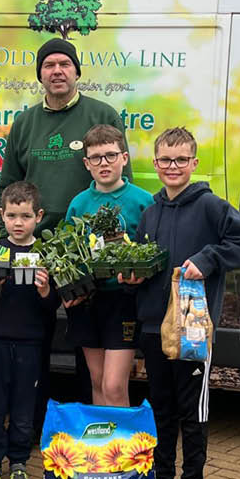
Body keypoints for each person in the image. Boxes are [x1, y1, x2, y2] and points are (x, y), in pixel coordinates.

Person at [123, 127, 240, 479]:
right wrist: (132, 278)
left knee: (193, 414)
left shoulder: (211, 206)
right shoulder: (150, 214)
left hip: (193, 333)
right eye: (166, 160)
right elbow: (144, 264)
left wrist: (209, 258)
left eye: (181, 160)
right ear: (155, 164)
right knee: (162, 412)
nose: (173, 166)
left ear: (194, 163)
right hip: (155, 330)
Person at [0, 37, 130, 418]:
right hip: (35, 248)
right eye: (49, 65)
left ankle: (84, 422)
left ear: (77, 71)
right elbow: (10, 185)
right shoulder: (25, 123)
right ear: (39, 74)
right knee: (33, 332)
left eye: (64, 64)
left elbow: (123, 181)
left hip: (85, 253)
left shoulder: (101, 114)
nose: (57, 71)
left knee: (84, 339)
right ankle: (32, 419)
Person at [0, 181, 57, 479]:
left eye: (25, 216)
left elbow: (53, 306)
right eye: (12, 216)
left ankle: (19, 462)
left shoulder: (45, 255)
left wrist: (46, 290)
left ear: (39, 216)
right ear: (1, 216)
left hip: (30, 344)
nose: (18, 223)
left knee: (24, 408)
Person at [62, 124, 153, 407]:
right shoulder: (79, 203)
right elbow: (68, 254)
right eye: (97, 157)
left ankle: (124, 448)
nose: (104, 163)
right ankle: (106, 447)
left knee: (114, 386)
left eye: (111, 155)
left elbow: (153, 249)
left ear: (124, 158)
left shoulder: (143, 201)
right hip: (88, 301)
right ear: (86, 163)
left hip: (123, 301)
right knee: (98, 381)